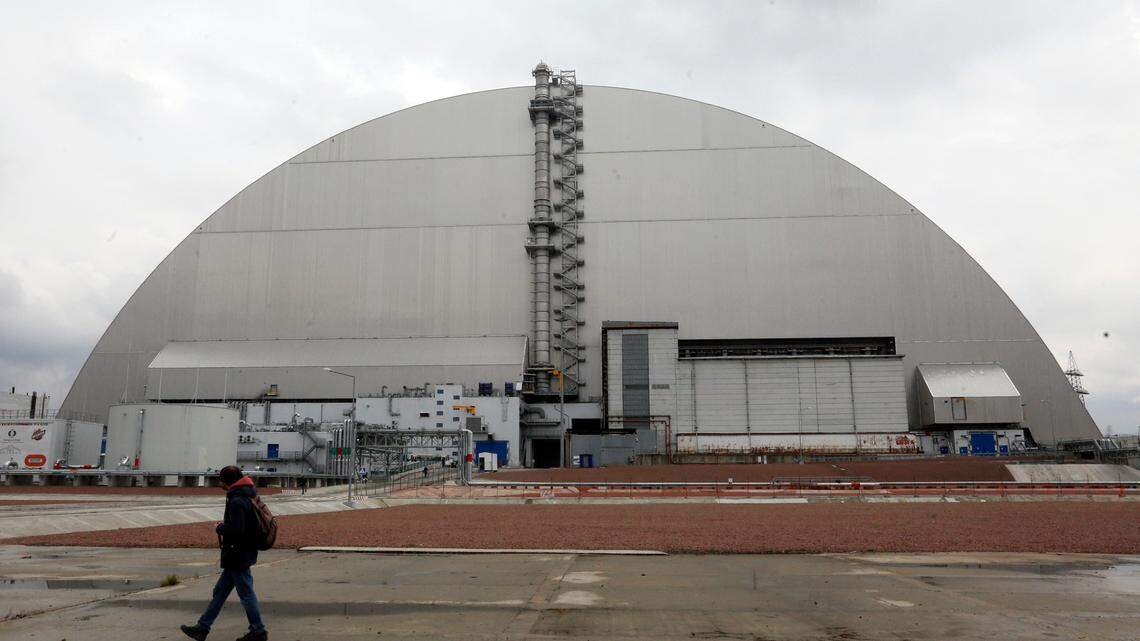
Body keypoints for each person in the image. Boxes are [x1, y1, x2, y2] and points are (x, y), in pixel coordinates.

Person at [180, 465, 267, 641]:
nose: (219, 483)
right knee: (220, 591)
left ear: (228, 481)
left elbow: (237, 530)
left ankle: (258, 631)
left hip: (237, 555)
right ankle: (202, 628)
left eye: (221, 480)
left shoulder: (237, 500)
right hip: (242, 553)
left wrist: (220, 528)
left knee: (246, 594)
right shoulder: (248, 495)